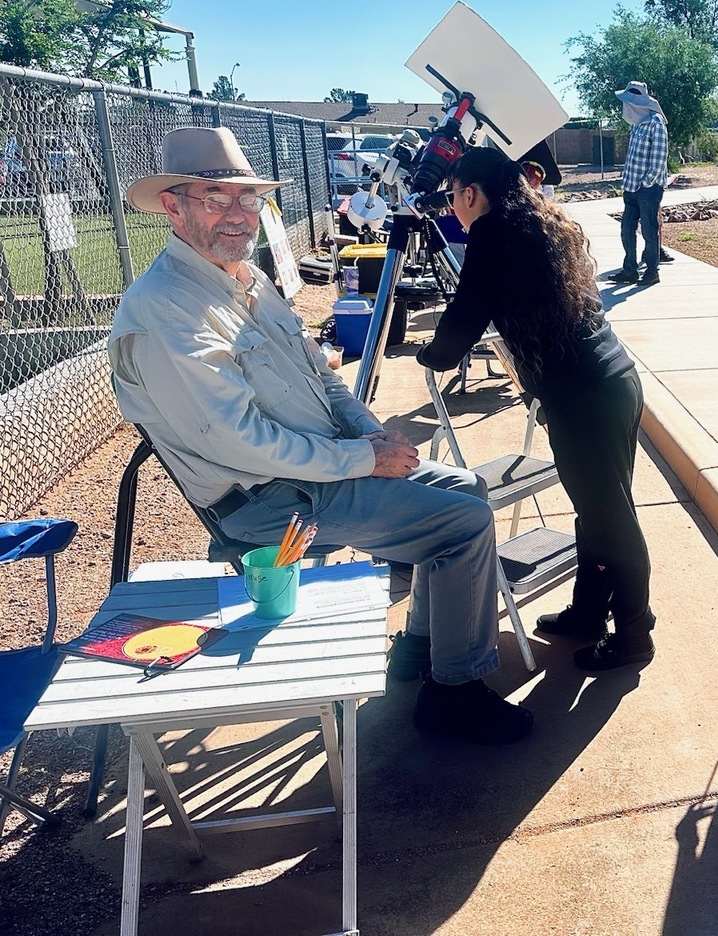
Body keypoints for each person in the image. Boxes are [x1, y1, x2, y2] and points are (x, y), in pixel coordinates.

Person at [108, 126, 533, 746]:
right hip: (269, 504)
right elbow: (239, 441)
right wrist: (362, 458)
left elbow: (321, 373)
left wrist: (371, 433)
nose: (236, 214)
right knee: (462, 526)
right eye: (213, 197)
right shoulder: (166, 306)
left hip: (320, 471)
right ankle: (455, 693)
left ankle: (419, 649)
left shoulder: (244, 280)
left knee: (466, 491)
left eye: (247, 199)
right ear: (172, 205)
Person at [416, 146, 656, 671]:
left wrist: (429, 354)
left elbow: (461, 323)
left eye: (453, 196)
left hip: (585, 397)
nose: (451, 207)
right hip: (609, 382)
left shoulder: (491, 233)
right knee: (598, 510)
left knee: (610, 518)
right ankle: (590, 612)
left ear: (471, 194)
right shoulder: (530, 225)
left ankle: (635, 634)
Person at [609, 81, 669, 286]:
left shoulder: (656, 122)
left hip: (648, 189)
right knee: (626, 228)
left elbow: (659, 158)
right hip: (631, 186)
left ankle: (652, 272)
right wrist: (628, 182)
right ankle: (629, 271)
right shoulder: (636, 125)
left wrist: (647, 182)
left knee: (649, 230)